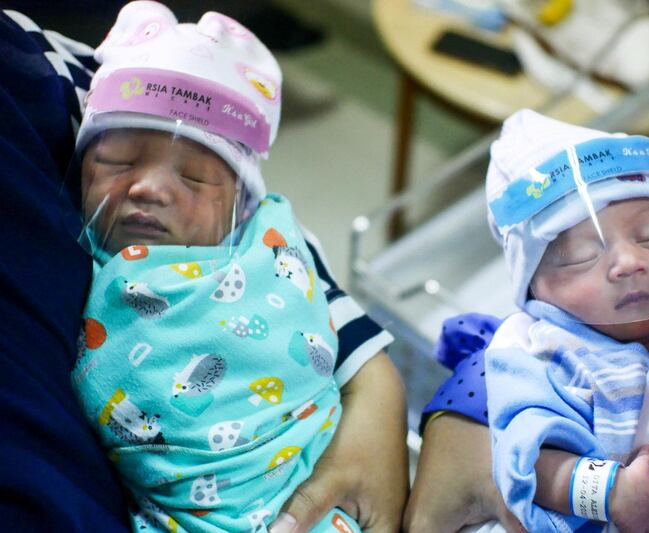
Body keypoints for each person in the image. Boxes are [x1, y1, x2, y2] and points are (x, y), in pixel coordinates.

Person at [0, 6, 406, 533]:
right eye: (119, 162)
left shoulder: (263, 234)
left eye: (193, 176)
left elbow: (294, 264)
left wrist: (375, 377)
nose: (149, 188)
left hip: (305, 468)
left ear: (240, 204)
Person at [405, 109, 649, 533]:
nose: (628, 263)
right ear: (536, 292)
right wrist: (610, 493)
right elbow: (527, 459)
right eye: (580, 257)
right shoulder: (540, 353)